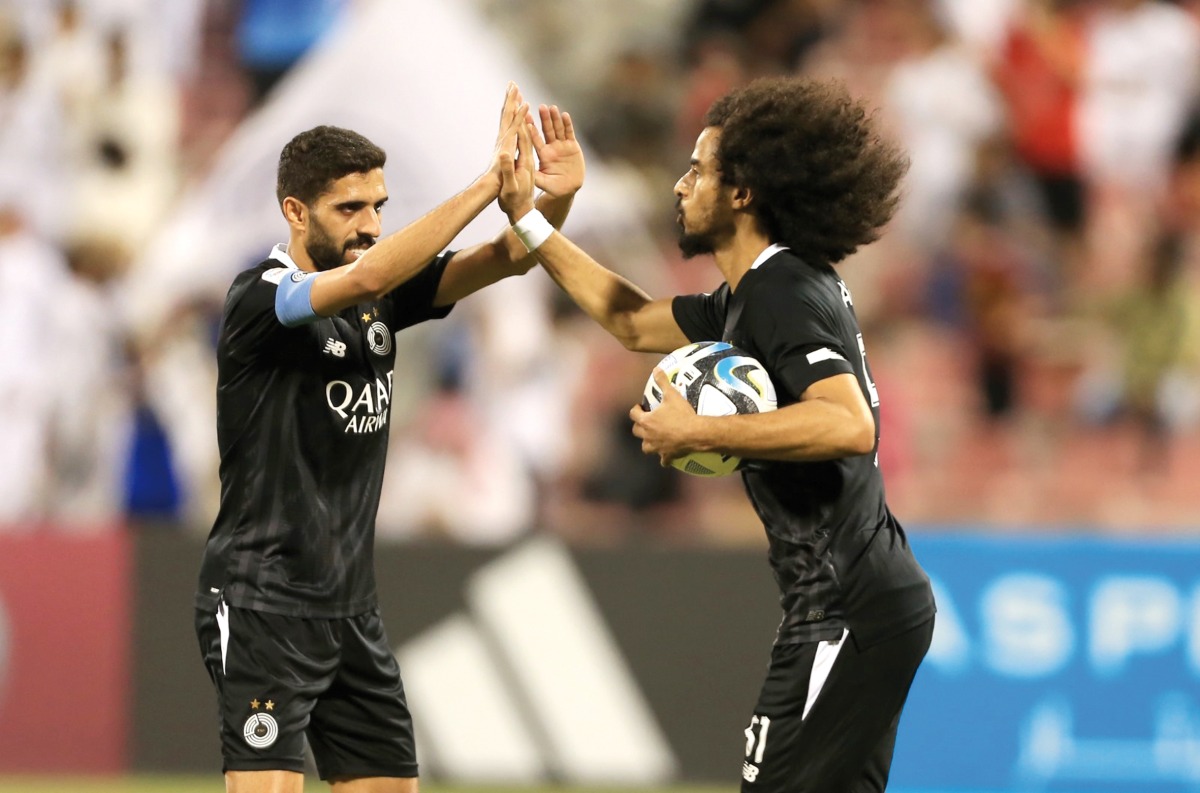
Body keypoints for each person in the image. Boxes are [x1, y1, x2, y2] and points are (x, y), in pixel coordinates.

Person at [499, 77, 936, 792]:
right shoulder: (749, 296)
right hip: (850, 601)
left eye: (698, 169)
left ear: (743, 193)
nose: (680, 185)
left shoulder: (783, 289)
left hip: (845, 607)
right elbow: (632, 320)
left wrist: (702, 427)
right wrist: (534, 221)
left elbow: (849, 422)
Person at [193, 83, 584, 792]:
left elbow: (510, 257)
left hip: (350, 609)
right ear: (294, 210)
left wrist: (553, 198)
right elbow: (371, 270)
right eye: (350, 209)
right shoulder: (259, 296)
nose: (370, 225)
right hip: (262, 602)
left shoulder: (377, 298)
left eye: (379, 206)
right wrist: (487, 182)